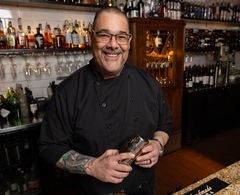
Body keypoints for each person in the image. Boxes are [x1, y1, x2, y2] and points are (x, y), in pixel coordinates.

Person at [38, 7, 172, 195]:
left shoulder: (148, 82)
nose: (113, 44)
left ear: (129, 41)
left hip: (143, 189)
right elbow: (49, 147)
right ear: (91, 37)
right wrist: (92, 166)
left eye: (121, 37)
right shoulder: (68, 91)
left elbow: (165, 123)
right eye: (104, 35)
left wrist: (157, 144)